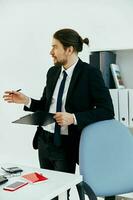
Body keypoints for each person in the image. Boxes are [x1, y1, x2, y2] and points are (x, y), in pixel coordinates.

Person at [3, 28, 114, 200]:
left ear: (69, 49)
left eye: (55, 47)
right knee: (47, 191)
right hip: (44, 141)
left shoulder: (90, 74)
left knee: (61, 193)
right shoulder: (52, 72)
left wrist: (74, 118)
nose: (51, 52)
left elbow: (107, 111)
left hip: (66, 144)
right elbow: (46, 105)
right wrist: (27, 101)